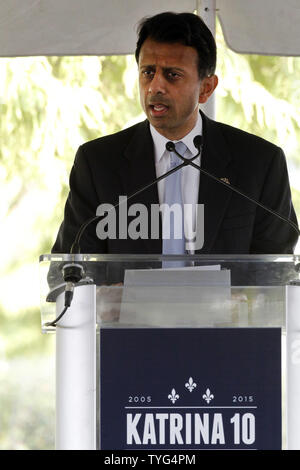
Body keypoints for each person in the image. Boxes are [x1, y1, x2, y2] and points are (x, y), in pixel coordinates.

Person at [52, 11, 298, 256]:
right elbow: (68, 267)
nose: (155, 87)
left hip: (225, 298)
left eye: (173, 75)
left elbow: (277, 270)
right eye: (148, 72)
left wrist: (240, 295)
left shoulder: (259, 162)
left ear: (206, 88)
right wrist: (111, 293)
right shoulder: (98, 163)